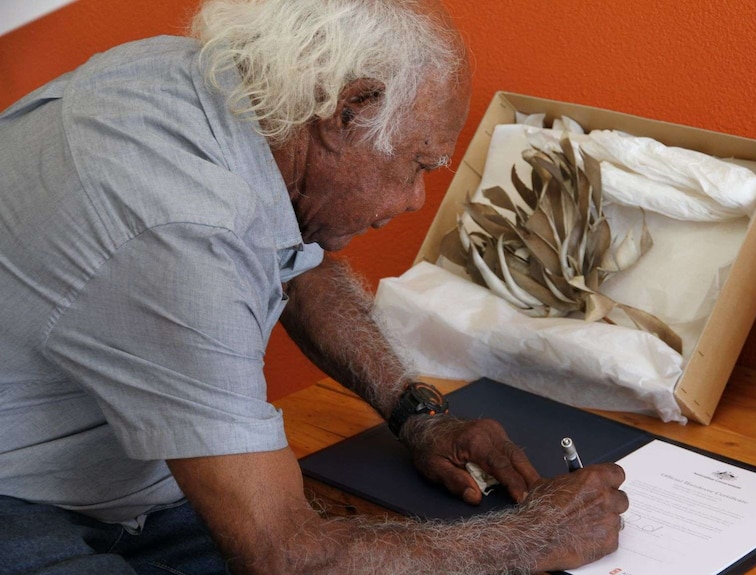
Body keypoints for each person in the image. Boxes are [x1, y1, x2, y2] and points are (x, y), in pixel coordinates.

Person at [0, 0, 628, 573]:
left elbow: (296, 257)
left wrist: (417, 416)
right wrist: (533, 539)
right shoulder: (179, 228)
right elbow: (287, 555)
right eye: (419, 164)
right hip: (23, 501)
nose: (414, 200)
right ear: (345, 111)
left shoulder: (199, 78)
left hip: (130, 483)